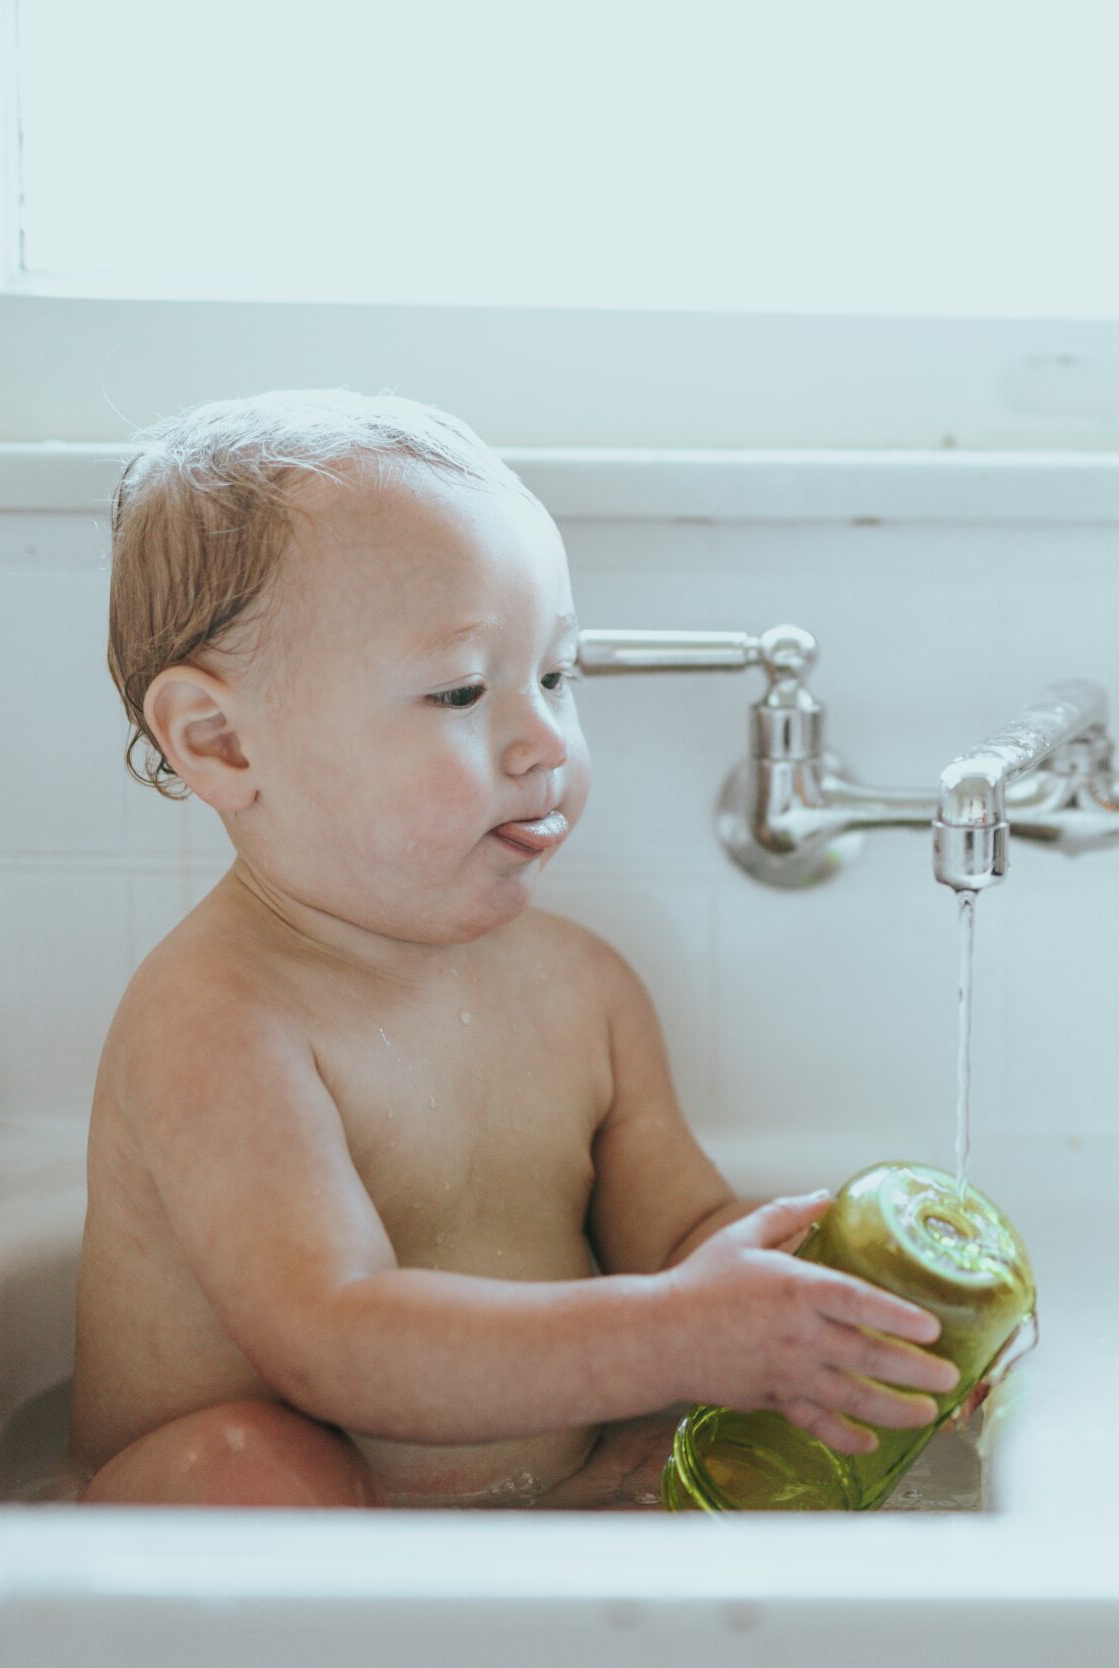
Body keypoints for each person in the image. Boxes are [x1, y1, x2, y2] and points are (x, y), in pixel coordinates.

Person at [69, 390, 958, 1507]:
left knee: (701, 1461)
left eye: (556, 675)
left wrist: (831, 1293)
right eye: (459, 689)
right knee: (250, 1470)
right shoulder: (219, 1019)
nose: (543, 738)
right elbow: (333, 1338)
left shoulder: (582, 987)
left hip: (520, 1514)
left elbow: (677, 1235)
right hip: (242, 1570)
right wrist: (678, 1335)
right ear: (220, 742)